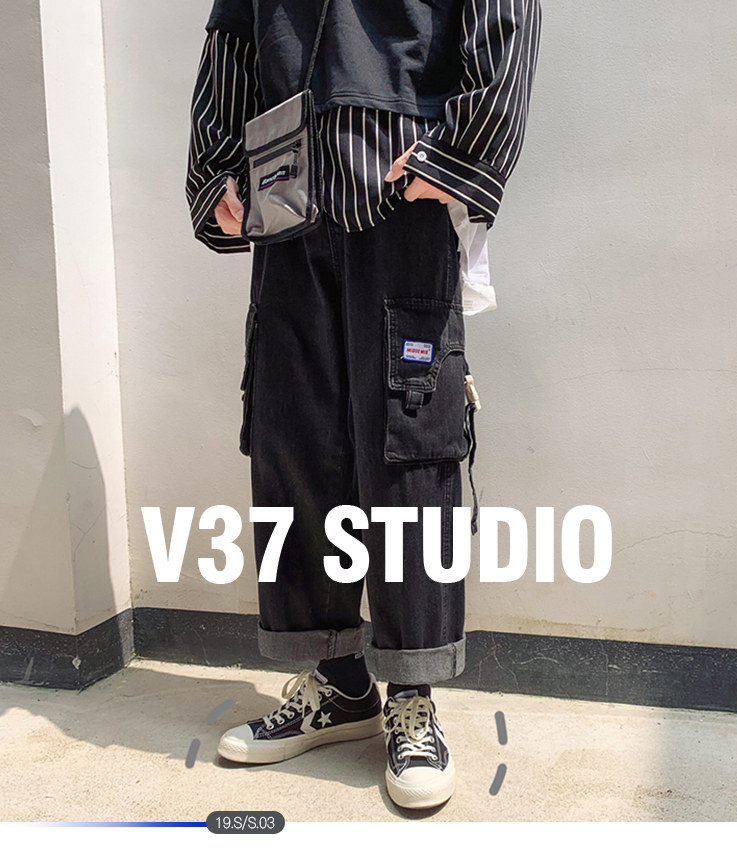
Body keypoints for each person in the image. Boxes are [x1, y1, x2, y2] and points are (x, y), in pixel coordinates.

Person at [186, 0, 541, 810]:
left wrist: (461, 150)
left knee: (408, 445)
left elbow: (506, 15)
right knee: (293, 435)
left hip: (398, 190)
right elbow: (233, 32)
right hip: (285, 194)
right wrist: (215, 172)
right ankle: (339, 680)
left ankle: (412, 692)